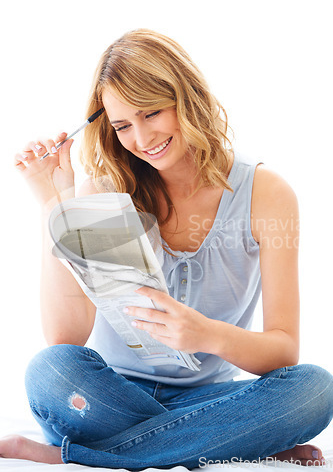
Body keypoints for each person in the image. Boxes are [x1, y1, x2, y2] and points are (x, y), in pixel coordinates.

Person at [4, 28, 332, 468]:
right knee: (51, 370)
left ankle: (78, 456)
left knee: (315, 388)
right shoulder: (104, 193)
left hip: (210, 394)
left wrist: (205, 334)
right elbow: (66, 338)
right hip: (111, 392)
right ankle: (230, 440)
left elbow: (283, 350)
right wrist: (55, 204)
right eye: (122, 125)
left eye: (151, 113)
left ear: (186, 99)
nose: (140, 139)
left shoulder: (265, 194)